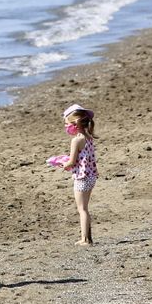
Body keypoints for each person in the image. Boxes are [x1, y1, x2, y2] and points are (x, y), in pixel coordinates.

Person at [47, 105, 98, 245]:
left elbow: (71, 162)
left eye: (67, 124)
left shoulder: (76, 140)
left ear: (75, 123)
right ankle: (89, 237)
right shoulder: (88, 137)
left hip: (81, 178)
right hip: (91, 176)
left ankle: (85, 239)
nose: (66, 127)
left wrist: (61, 164)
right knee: (85, 208)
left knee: (82, 209)